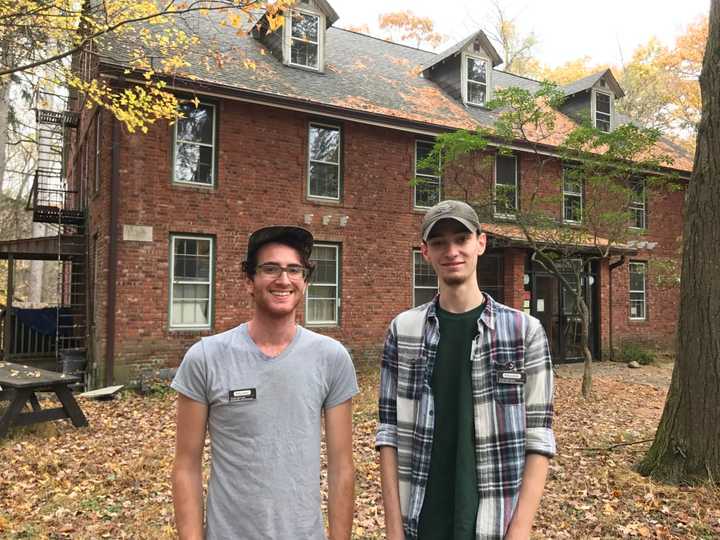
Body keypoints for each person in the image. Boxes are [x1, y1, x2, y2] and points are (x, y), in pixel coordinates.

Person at [376, 200, 556, 540]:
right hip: (420, 520)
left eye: (461, 238)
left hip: (493, 522)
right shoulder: (403, 331)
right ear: (425, 252)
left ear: (481, 243)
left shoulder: (525, 332)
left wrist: (519, 530)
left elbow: (539, 436)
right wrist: (393, 530)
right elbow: (389, 434)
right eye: (440, 242)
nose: (452, 251)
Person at [171, 226, 358, 540]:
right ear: (249, 281)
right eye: (270, 269)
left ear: (305, 281)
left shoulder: (331, 358)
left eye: (294, 270)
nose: (283, 280)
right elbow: (186, 467)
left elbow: (342, 468)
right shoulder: (206, 358)